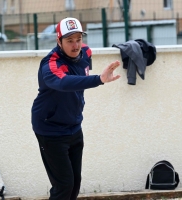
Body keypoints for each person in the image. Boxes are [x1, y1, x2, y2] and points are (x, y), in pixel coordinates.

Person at [31, 17, 120, 200]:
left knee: (74, 184)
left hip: (74, 126)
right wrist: (99, 79)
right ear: (59, 41)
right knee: (64, 185)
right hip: (50, 129)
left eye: (78, 39)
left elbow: (81, 75)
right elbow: (64, 83)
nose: (75, 45)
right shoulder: (50, 64)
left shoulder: (86, 53)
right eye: (69, 40)